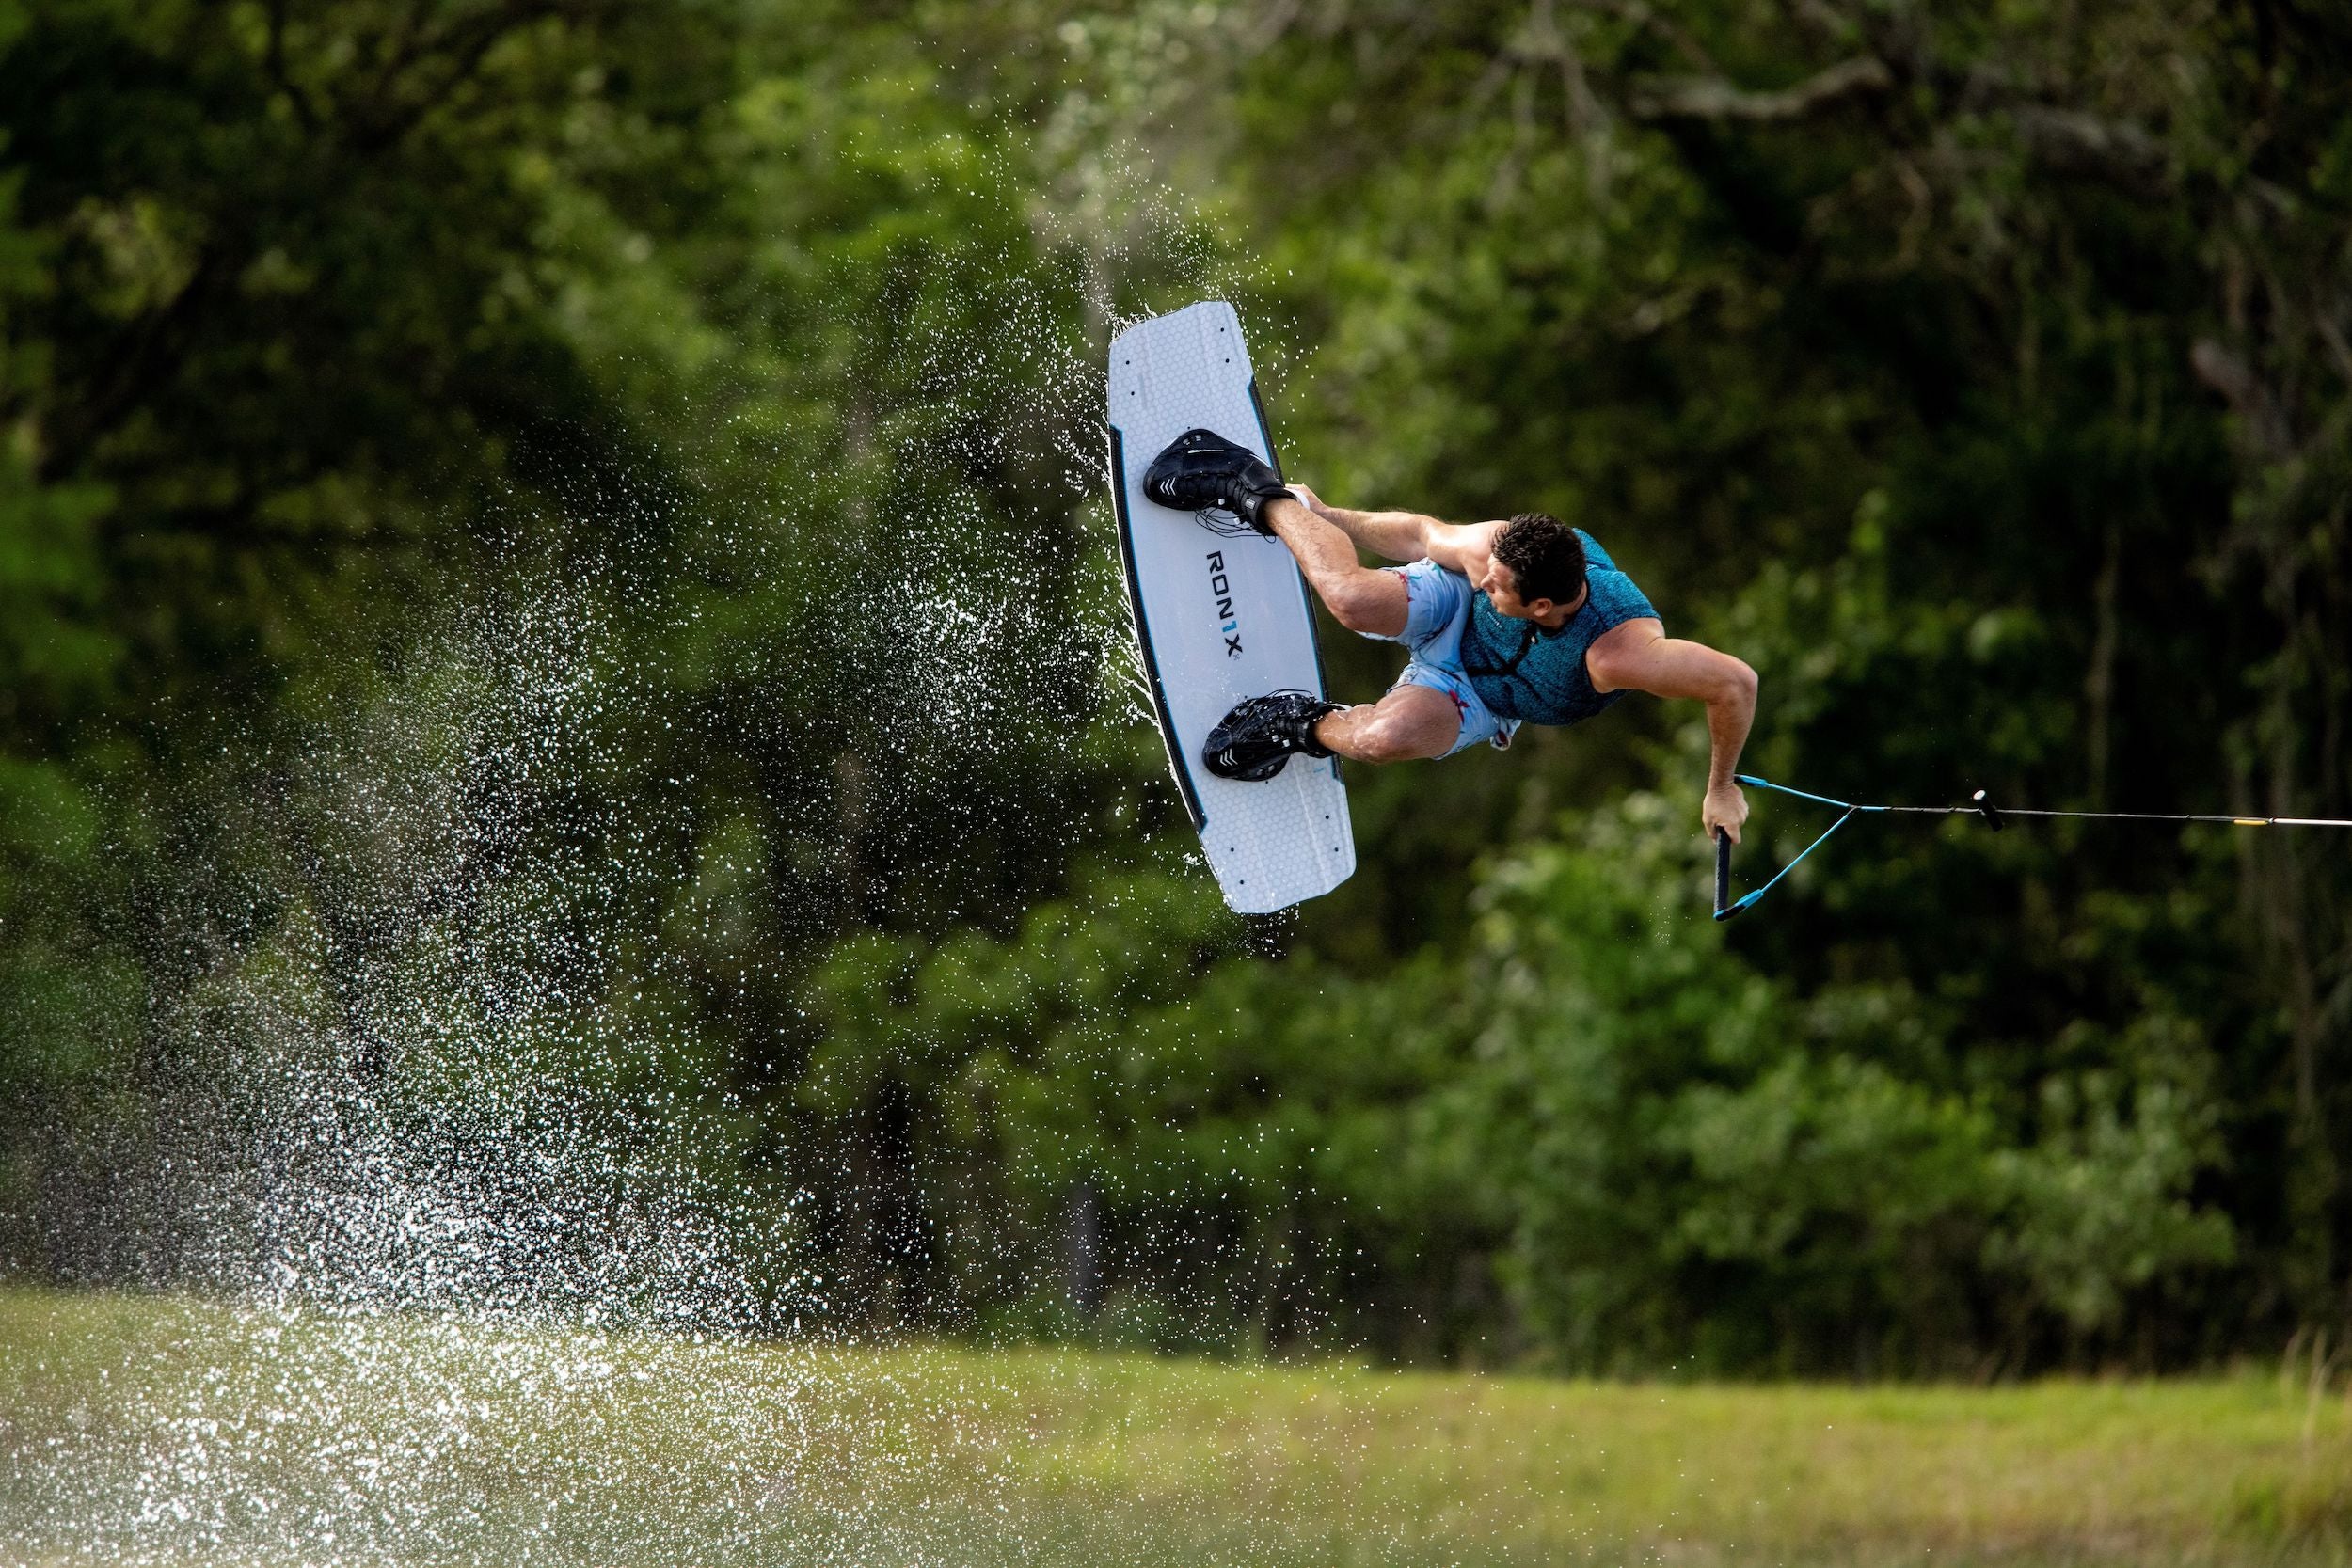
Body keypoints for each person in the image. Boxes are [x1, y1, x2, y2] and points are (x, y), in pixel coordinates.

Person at [1143, 428, 1756, 843]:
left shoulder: (1617, 650)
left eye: (1500, 587)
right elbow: (1420, 534)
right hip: (1449, 612)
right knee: (1355, 599)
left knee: (1386, 737)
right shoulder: (1492, 556)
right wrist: (1323, 516)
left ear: (1541, 604)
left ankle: (1291, 723)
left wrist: (1721, 787)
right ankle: (1248, 485)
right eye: (1489, 571)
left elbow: (1734, 682)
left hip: (1481, 697)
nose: (1486, 579)